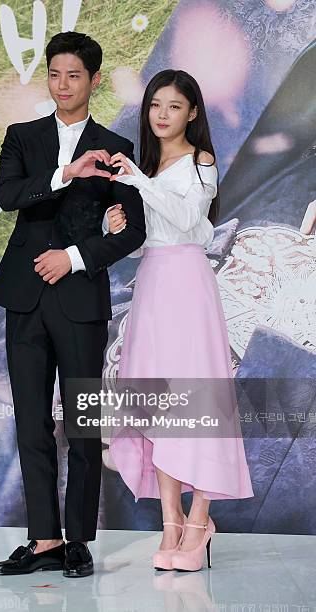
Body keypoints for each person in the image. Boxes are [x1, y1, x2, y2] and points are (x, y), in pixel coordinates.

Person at [0, 31, 146, 577]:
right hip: (25, 297)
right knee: (31, 422)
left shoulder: (117, 145)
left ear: (94, 80)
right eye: (55, 74)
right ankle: (44, 539)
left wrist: (75, 257)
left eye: (74, 75)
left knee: (82, 424)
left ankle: (79, 540)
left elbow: (132, 232)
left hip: (79, 298)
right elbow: (9, 195)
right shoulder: (23, 136)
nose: (63, 84)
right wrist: (65, 173)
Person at [106, 69, 254, 572]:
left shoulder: (201, 160)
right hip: (153, 285)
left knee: (196, 399)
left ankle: (200, 523)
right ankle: (171, 523)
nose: (162, 115)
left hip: (189, 286)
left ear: (192, 112)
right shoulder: (146, 166)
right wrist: (117, 224)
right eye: (155, 105)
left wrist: (140, 183)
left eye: (173, 106)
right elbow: (148, 239)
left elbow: (193, 222)